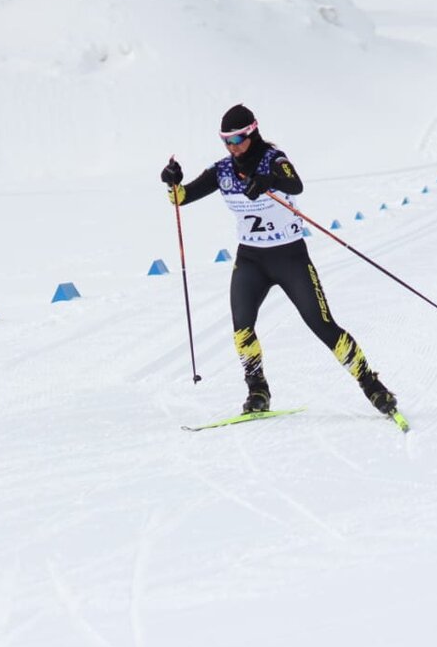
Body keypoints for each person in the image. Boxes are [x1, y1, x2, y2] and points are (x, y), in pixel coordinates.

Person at [159, 104, 399, 418]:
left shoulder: (275, 159)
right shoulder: (223, 171)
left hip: (289, 257)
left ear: (253, 131)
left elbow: (294, 184)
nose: (233, 147)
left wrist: (266, 180)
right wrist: (172, 182)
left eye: (238, 138)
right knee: (242, 328)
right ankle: (257, 390)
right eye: (226, 141)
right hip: (251, 259)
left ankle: (371, 385)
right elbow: (182, 198)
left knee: (321, 325)